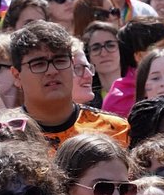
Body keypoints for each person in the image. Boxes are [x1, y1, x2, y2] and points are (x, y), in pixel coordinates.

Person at [11, 21, 129, 150]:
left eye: (60, 61)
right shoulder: (2, 133)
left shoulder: (114, 130)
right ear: (17, 76)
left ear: (72, 66)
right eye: (39, 64)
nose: (52, 71)